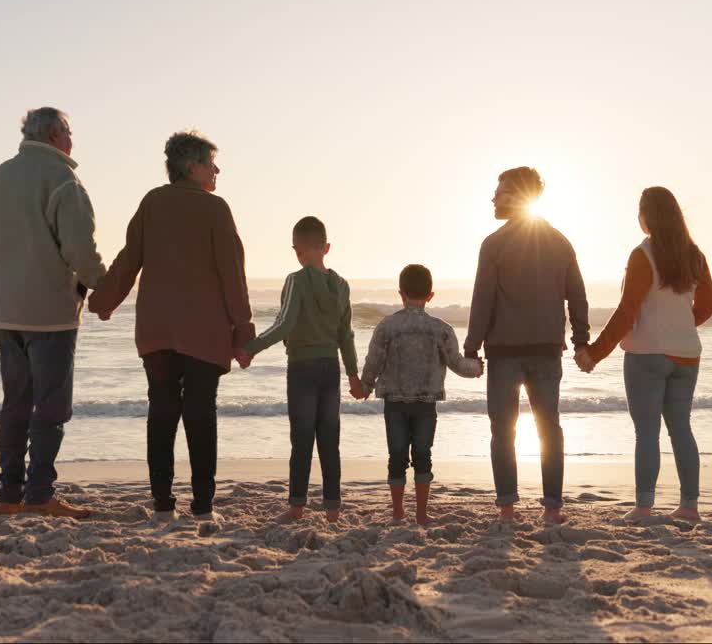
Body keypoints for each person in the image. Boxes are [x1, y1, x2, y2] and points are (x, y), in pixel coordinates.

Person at [87, 131, 254, 523]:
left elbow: (130, 259)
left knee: (162, 411)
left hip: (157, 331)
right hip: (204, 331)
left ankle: (163, 506)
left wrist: (104, 300)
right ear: (193, 167)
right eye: (212, 163)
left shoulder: (152, 203)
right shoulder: (215, 208)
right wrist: (243, 328)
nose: (217, 170)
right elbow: (232, 273)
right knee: (200, 414)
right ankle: (203, 508)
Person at [0, 107, 105, 519]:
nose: (72, 138)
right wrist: (102, 284)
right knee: (50, 407)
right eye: (68, 131)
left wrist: (5, 273)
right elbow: (79, 250)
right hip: (50, 313)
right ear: (53, 134)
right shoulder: (64, 180)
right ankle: (40, 494)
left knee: (15, 404)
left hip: (6, 310)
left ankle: (8, 495)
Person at [575, 187, 712, 523]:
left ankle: (644, 507)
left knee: (647, 431)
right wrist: (680, 326)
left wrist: (594, 353)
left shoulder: (643, 254)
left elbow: (627, 311)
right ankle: (689, 507)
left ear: (647, 217)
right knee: (681, 428)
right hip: (686, 356)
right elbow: (707, 306)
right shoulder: (694, 255)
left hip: (647, 356)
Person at [464, 167, 590, 525]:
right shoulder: (560, 241)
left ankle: (507, 509)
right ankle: (552, 509)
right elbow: (578, 298)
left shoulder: (493, 244)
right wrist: (581, 341)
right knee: (549, 428)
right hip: (547, 350)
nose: (493, 197)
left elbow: (483, 301)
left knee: (504, 430)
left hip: (506, 351)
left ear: (519, 196)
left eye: (500, 192)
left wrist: (472, 348)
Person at [242, 216, 360, 524]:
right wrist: (354, 375)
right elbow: (345, 335)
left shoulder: (296, 280)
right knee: (330, 440)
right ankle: (333, 509)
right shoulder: (342, 285)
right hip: (331, 368)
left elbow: (285, 325)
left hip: (302, 368)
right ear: (327, 247)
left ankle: (297, 507)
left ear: (297, 250)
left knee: (303, 439)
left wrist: (249, 349)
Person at [359, 264, 483, 526]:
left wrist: (365, 386)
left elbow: (374, 361)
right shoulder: (441, 329)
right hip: (426, 403)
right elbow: (457, 363)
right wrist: (477, 368)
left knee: (397, 456)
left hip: (394, 402)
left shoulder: (387, 326)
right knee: (423, 455)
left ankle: (397, 512)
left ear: (401, 294)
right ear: (431, 295)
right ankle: (422, 514)